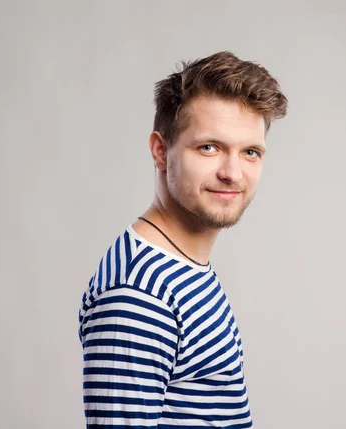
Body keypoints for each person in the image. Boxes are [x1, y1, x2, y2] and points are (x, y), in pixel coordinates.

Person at [77, 50, 288, 428]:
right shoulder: (138, 293)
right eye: (209, 147)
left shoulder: (178, 267)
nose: (233, 173)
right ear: (161, 151)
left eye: (250, 152)